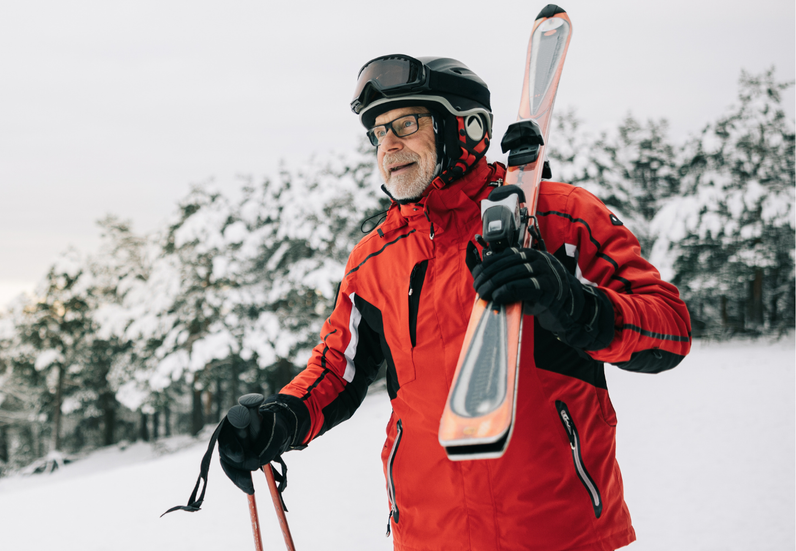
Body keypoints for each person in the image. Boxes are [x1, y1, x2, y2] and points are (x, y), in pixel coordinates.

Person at [218, 54, 692, 551]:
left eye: (405, 123)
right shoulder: (374, 259)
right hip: (427, 536)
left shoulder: (560, 217)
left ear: (464, 127)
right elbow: (337, 368)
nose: (388, 145)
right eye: (378, 133)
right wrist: (281, 417)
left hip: (558, 531)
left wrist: (573, 305)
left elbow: (670, 328)